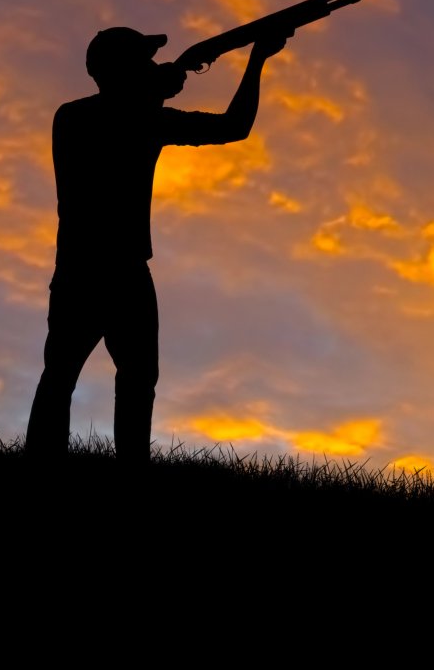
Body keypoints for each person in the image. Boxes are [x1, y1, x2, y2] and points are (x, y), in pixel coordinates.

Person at [24, 24, 290, 465]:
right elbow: (227, 125)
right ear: (122, 70)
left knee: (121, 376)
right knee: (72, 376)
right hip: (100, 269)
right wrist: (256, 59)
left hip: (97, 269)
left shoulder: (110, 116)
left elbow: (234, 127)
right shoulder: (84, 117)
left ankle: (115, 467)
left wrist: (255, 60)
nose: (153, 66)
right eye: (143, 61)